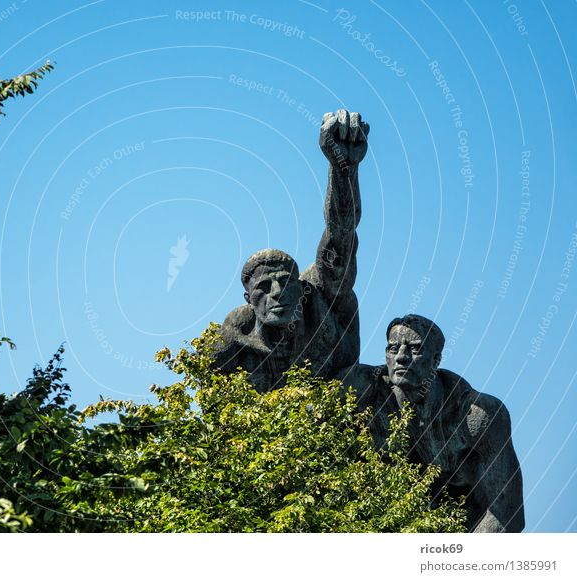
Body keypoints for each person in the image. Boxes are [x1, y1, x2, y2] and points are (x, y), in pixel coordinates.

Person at [213, 110, 367, 391]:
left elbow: (341, 235)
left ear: (301, 287)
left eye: (285, 283)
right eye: (264, 286)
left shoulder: (321, 295)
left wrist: (342, 165)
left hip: (341, 410)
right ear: (248, 299)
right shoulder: (231, 344)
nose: (277, 293)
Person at [336, 314, 525, 532]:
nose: (401, 357)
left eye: (415, 349)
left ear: (436, 360)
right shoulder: (361, 389)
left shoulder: (476, 416)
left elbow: (507, 512)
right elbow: (306, 408)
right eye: (393, 348)